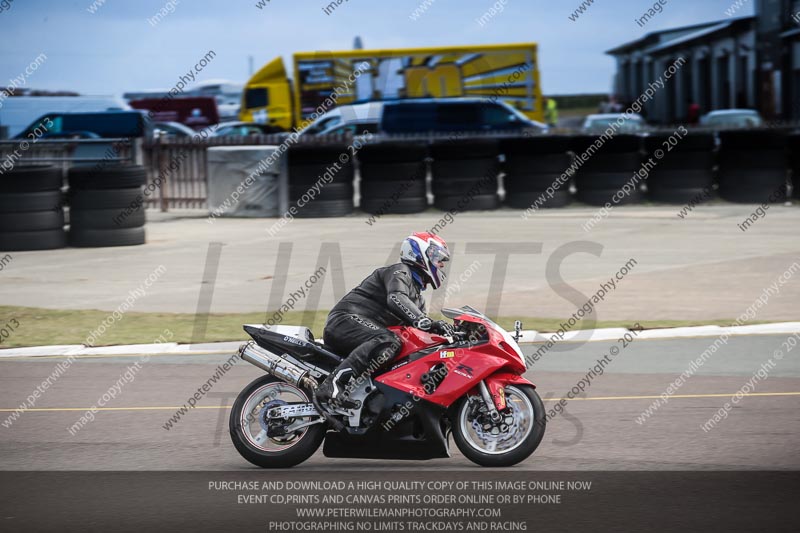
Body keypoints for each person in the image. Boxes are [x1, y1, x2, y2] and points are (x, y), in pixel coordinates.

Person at [312, 232, 453, 421]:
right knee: (389, 340)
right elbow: (396, 297)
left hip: (367, 334)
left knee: (406, 353)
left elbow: (418, 334)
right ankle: (333, 386)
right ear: (419, 253)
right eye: (437, 257)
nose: (441, 264)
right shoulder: (399, 271)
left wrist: (443, 334)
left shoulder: (418, 300)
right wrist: (423, 321)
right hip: (345, 320)